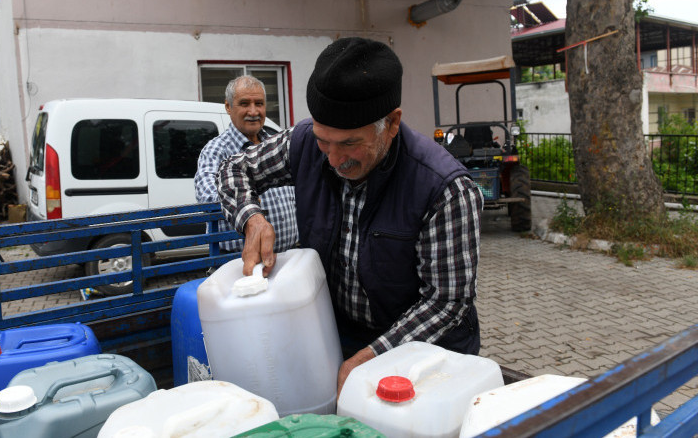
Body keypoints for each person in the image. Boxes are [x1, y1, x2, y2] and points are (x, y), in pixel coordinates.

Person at [216, 37, 484, 394]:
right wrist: (252, 218)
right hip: (340, 336)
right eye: (323, 141)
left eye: (349, 144)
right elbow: (234, 170)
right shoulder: (302, 142)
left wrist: (370, 357)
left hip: (428, 357)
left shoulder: (444, 188)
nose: (332, 159)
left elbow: (446, 301)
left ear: (391, 123)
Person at [195, 75, 298, 252]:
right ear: (228, 106)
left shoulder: (275, 145)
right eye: (244, 104)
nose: (253, 111)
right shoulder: (216, 150)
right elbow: (208, 195)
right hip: (239, 264)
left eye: (259, 103)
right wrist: (246, 205)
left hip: (288, 257)